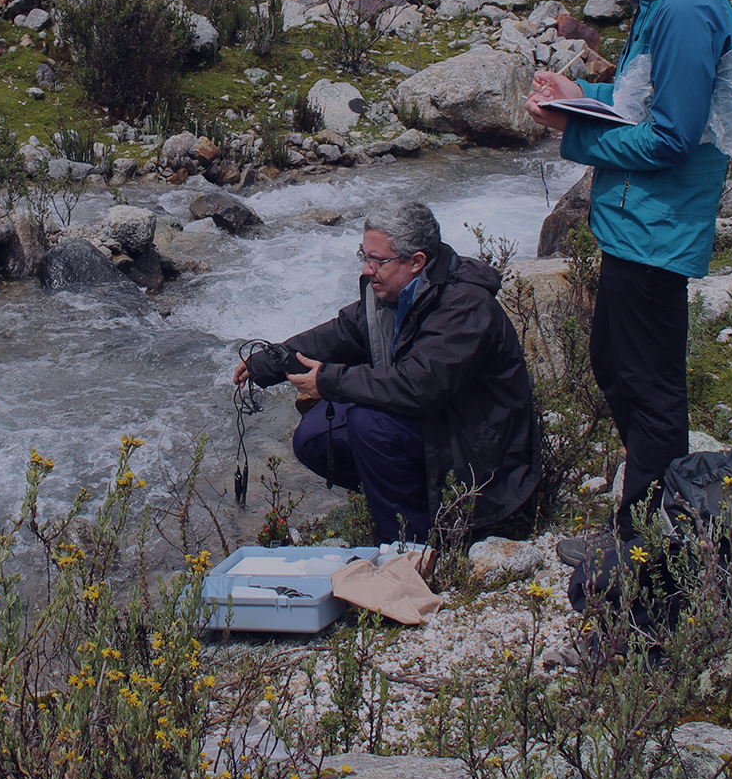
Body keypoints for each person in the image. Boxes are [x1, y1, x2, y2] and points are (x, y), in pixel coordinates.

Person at [523, 0, 732, 562]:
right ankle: (649, 530)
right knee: (618, 367)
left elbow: (673, 137)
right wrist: (581, 94)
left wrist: (575, 132)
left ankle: (649, 547)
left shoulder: (686, 9)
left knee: (648, 389)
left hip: (658, 224)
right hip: (635, 220)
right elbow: (641, 101)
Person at [231, 201, 541, 542]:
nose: (367, 269)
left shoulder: (464, 304)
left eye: (377, 260)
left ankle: (412, 545)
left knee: (369, 424)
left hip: (483, 455)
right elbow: (341, 334)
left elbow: (419, 385)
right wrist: (268, 363)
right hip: (440, 423)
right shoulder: (394, 292)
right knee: (315, 437)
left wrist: (328, 381)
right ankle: (412, 504)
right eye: (364, 256)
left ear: (416, 261)